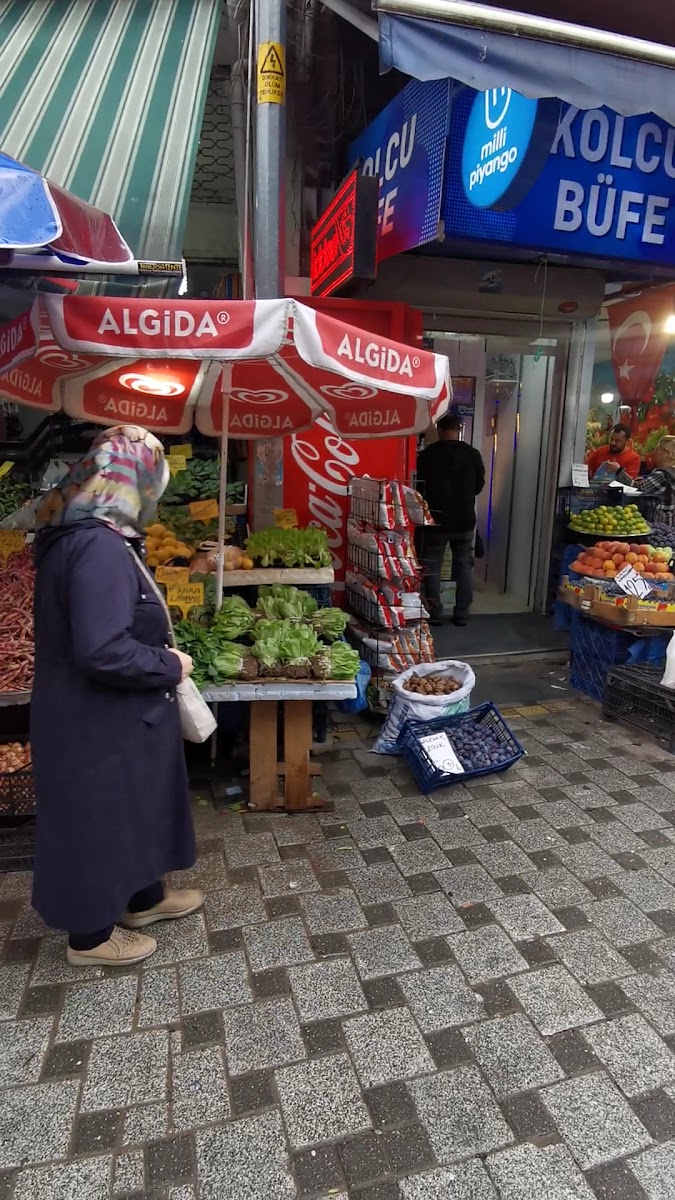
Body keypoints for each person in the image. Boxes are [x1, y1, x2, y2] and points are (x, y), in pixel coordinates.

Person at [31, 425, 202, 967]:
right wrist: (168, 662)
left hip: (114, 714)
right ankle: (90, 938)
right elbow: (102, 648)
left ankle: (143, 899)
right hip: (95, 717)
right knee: (98, 816)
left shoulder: (90, 534)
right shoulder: (97, 547)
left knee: (134, 805)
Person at [415, 412, 485, 626]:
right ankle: (462, 613)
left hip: (436, 519)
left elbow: (419, 487)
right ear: (459, 430)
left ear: (439, 430)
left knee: (433, 565)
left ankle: (435, 613)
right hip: (464, 519)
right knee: (464, 565)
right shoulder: (472, 454)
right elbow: (479, 486)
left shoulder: (427, 455)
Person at [615, 434, 675, 524]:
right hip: (670, 521)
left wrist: (618, 470)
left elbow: (639, 487)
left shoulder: (663, 474)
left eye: (658, 450)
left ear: (667, 454)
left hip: (659, 521)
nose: (655, 453)